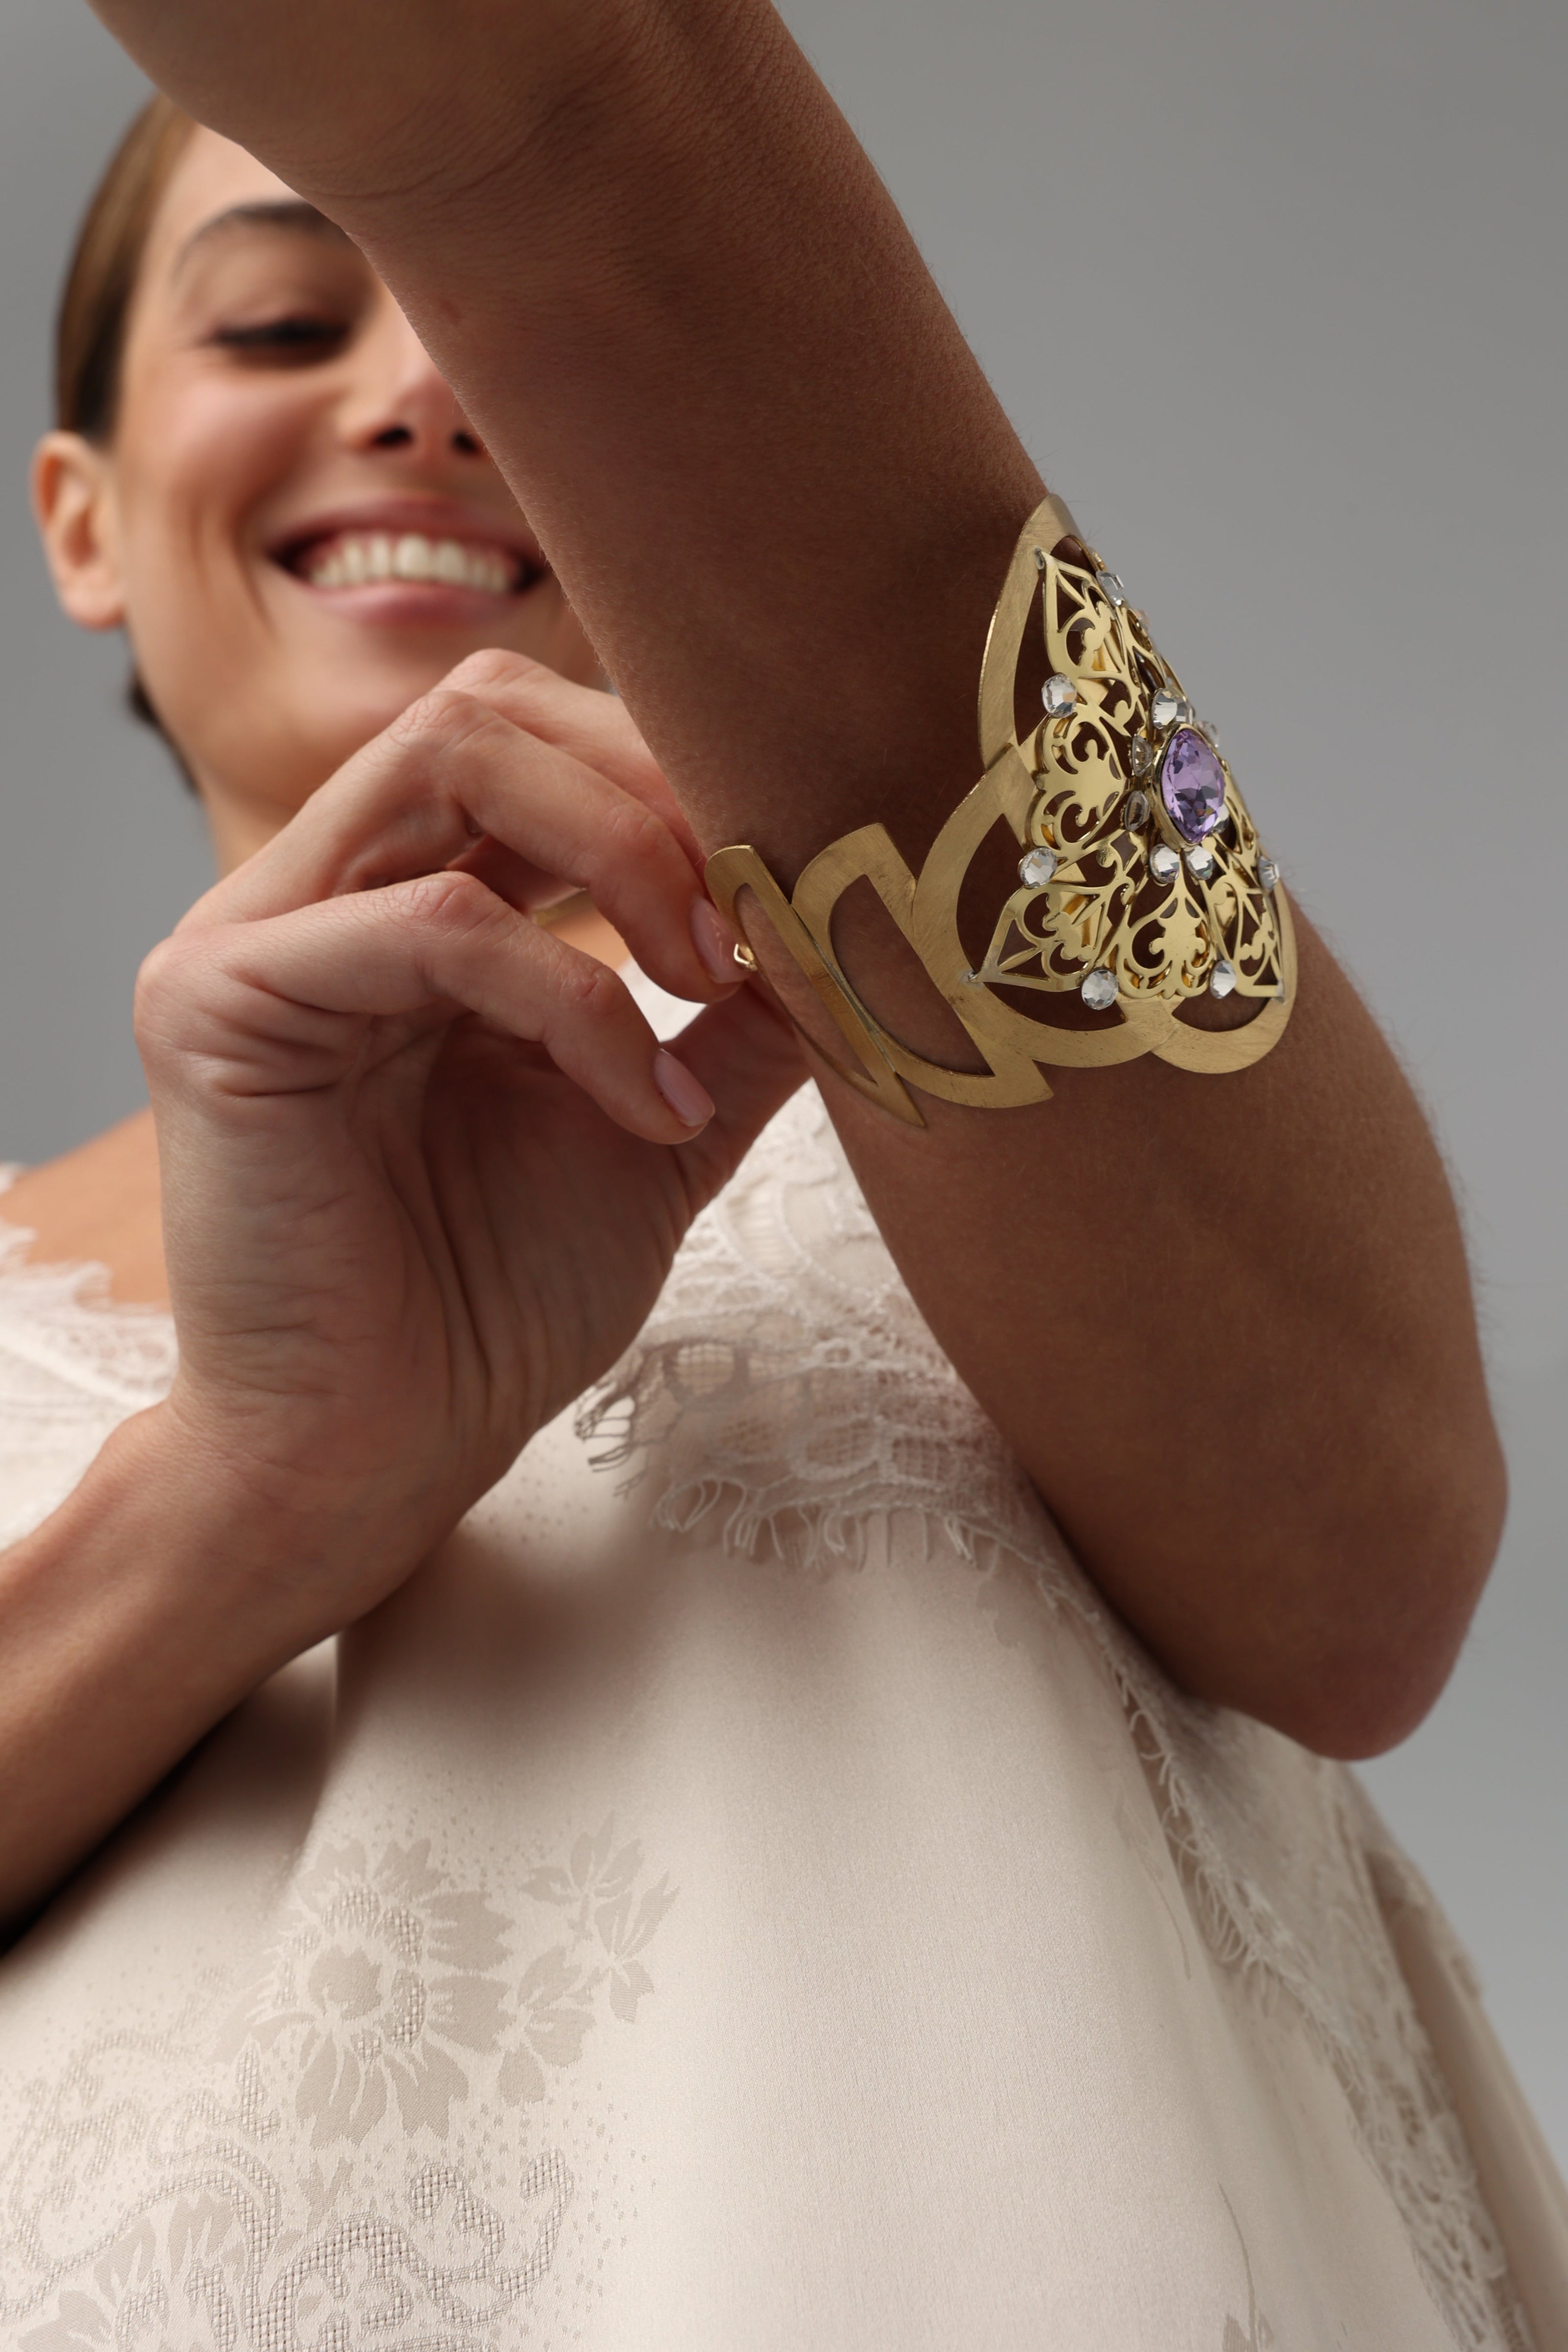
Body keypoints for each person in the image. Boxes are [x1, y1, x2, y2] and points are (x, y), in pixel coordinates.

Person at [0, 0, 1560, 2337]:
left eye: (468, 315)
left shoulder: (968, 1048)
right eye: (279, 313)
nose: (416, 388)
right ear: (83, 523)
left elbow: (1369, 1535)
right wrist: (247, 1494)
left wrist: (570, 136)